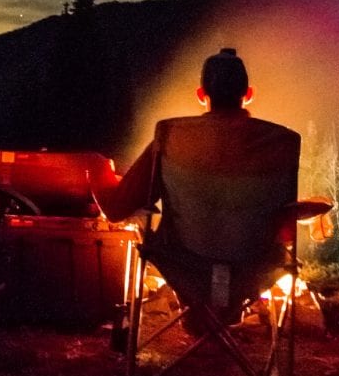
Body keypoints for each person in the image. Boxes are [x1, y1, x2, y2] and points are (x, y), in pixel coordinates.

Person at [93, 47, 301, 322]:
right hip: (255, 263)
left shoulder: (172, 138)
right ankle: (219, 313)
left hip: (184, 263)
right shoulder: (279, 143)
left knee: (146, 229)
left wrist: (96, 172)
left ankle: (197, 311)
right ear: (248, 94)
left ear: (202, 95)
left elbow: (117, 209)